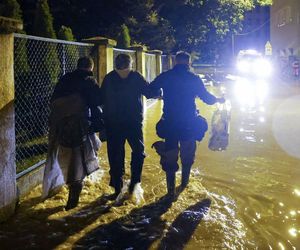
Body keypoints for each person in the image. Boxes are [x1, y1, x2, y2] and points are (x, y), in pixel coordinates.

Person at [149, 51, 225, 199]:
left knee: (170, 157)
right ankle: (184, 185)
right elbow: (207, 99)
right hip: (188, 124)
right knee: (187, 157)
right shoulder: (194, 79)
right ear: (189, 63)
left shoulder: (166, 76)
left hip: (170, 123)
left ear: (175, 62)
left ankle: (170, 191)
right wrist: (218, 100)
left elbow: (151, 89)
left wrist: (160, 94)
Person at [42, 56, 102, 210]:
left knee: (62, 155)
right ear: (91, 67)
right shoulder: (89, 80)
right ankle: (73, 200)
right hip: (76, 126)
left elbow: (53, 100)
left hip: (58, 125)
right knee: (78, 159)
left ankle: (61, 187)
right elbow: (97, 101)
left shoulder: (65, 78)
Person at [101, 53, 158, 200]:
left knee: (115, 154)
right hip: (133, 122)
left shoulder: (109, 78)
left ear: (116, 63)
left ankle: (117, 189)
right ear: (130, 63)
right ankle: (134, 183)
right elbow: (150, 92)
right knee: (138, 151)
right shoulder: (136, 76)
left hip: (113, 123)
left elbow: (101, 98)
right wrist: (159, 91)